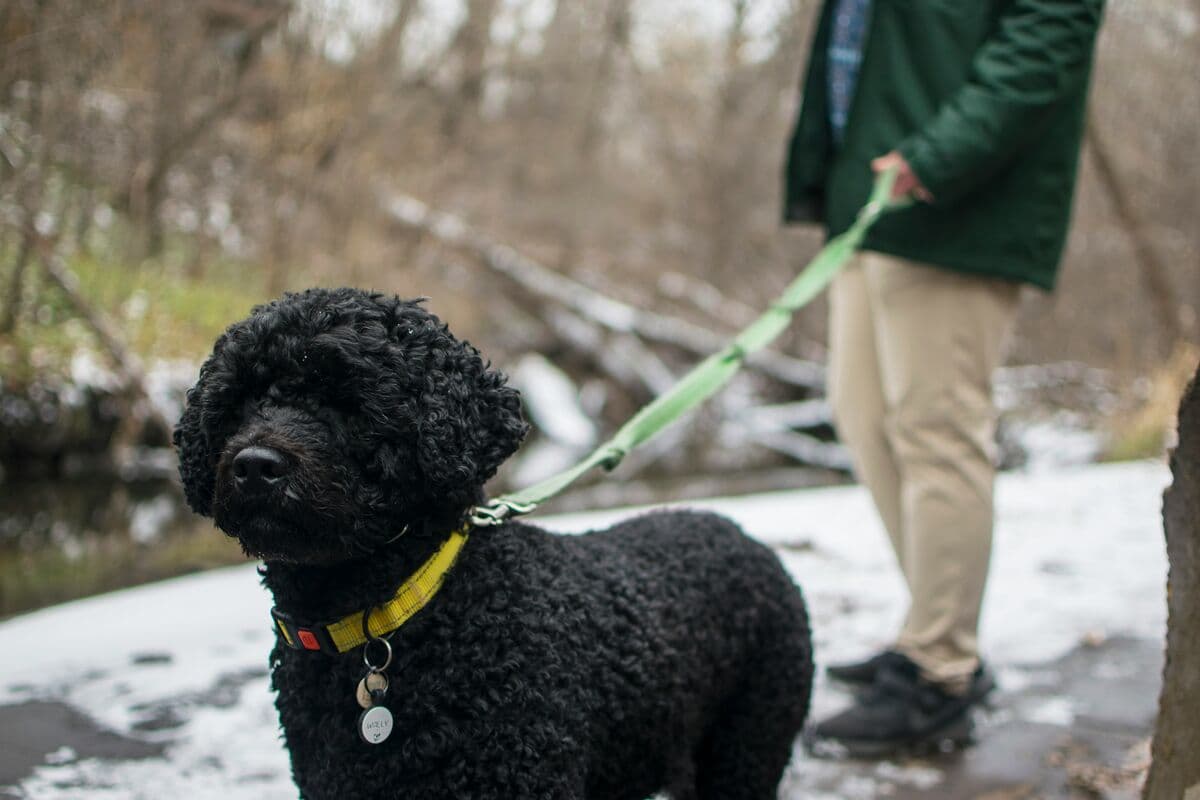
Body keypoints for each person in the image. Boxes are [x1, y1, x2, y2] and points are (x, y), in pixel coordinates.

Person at [782, 0, 1105, 756]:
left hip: (953, 199)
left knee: (937, 431)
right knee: (861, 416)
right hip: (872, 191)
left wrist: (939, 154)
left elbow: (1047, 37)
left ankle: (939, 670)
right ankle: (935, 633)